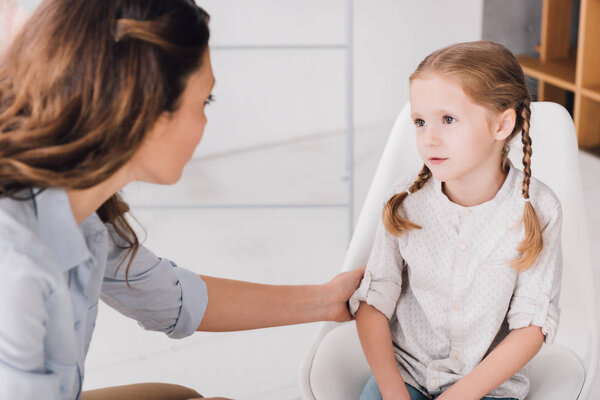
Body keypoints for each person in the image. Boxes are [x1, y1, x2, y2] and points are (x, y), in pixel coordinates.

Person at [0, 1, 365, 399]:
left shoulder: (81, 211)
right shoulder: (18, 269)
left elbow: (172, 298)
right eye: (204, 101)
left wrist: (328, 300)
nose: (206, 123)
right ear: (147, 112)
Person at [349, 41, 562, 400]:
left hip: (489, 389)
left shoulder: (539, 209)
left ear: (501, 124)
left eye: (448, 120)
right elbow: (373, 303)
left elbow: (531, 325)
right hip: (407, 377)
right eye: (420, 122)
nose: (429, 138)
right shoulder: (404, 203)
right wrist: (393, 392)